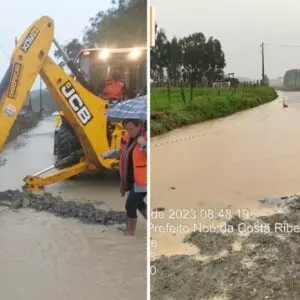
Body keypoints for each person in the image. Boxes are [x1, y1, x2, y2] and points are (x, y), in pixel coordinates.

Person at [119, 119, 147, 236]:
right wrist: (108, 154)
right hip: (131, 178)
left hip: (143, 180)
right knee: (139, 203)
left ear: (139, 126)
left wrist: (144, 146)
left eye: (131, 129)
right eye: (126, 129)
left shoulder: (146, 137)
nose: (129, 132)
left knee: (130, 205)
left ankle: (130, 233)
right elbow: (123, 151)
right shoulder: (127, 137)